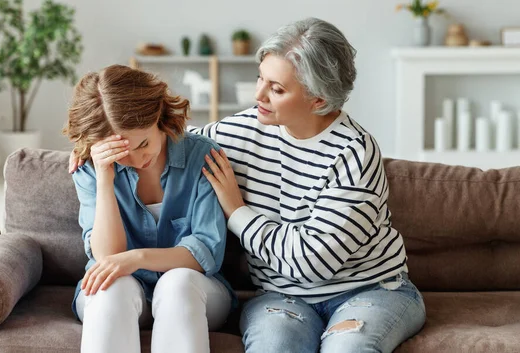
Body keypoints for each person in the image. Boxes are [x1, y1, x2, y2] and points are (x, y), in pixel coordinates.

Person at [69, 18, 426, 353]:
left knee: (348, 348)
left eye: (276, 89)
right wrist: (88, 147)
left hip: (369, 290)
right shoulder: (242, 131)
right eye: (260, 79)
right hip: (281, 298)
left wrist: (237, 211)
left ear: (317, 100)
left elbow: (312, 264)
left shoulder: (354, 154)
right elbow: (173, 138)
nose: (259, 96)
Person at [63, 64, 233, 353]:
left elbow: (206, 252)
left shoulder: (201, 155)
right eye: (121, 154)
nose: (138, 159)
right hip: (122, 293)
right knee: (110, 286)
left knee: (177, 283)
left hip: (196, 291)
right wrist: (105, 177)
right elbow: (107, 259)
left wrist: (137, 258)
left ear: (158, 117)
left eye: (143, 143)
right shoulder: (91, 167)